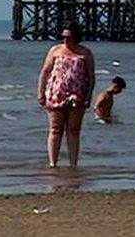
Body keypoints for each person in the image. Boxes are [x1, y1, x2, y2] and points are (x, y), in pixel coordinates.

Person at [37, 21, 95, 168]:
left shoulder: (85, 53)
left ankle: (73, 164)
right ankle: (53, 163)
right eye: (64, 37)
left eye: (69, 37)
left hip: (77, 95)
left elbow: (91, 76)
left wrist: (88, 96)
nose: (66, 40)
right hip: (56, 94)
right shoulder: (55, 50)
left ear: (75, 36)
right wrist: (41, 93)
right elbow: (45, 72)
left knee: (73, 131)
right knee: (55, 129)